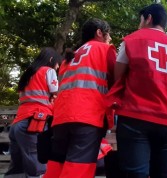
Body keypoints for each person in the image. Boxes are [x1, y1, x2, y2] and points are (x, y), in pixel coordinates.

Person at [107, 4, 167, 178]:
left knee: (135, 174)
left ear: (148, 18)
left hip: (135, 117)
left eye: (140, 19)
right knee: (165, 174)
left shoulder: (131, 41)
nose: (139, 24)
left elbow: (117, 76)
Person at [43, 18, 116, 178]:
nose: (110, 38)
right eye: (108, 34)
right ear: (99, 32)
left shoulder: (70, 57)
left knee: (57, 163)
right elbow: (118, 81)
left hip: (61, 117)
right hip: (87, 117)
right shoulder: (105, 50)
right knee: (78, 167)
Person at [4, 48, 62, 178]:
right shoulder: (49, 71)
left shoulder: (28, 73)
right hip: (34, 122)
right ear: (51, 60)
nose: (57, 68)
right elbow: (56, 91)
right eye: (58, 64)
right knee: (37, 162)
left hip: (18, 123)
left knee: (17, 167)